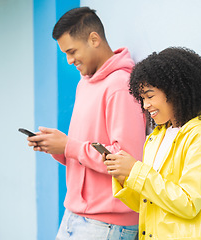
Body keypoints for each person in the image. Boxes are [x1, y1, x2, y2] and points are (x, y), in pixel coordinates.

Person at [27, 7, 146, 240]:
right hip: (74, 215)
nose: (69, 61)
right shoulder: (85, 84)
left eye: (72, 51)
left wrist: (69, 146)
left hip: (108, 224)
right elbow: (85, 152)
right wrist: (57, 147)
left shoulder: (120, 86)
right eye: (65, 54)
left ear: (94, 39)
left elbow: (126, 159)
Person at [104, 47, 201, 239]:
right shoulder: (156, 137)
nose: (145, 105)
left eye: (150, 96)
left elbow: (189, 203)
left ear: (176, 91)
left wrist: (136, 171)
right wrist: (125, 176)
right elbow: (148, 202)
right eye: (142, 98)